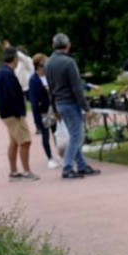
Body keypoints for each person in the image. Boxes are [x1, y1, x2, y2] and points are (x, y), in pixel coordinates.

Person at [45, 33, 101, 180]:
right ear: (68, 45)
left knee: (74, 135)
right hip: (70, 103)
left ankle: (81, 165)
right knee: (77, 136)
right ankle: (67, 167)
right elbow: (76, 88)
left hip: (59, 102)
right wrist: (86, 108)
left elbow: (50, 88)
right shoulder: (69, 62)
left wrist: (54, 108)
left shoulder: (49, 63)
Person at [0, 47, 38, 182]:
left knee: (14, 142)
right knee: (25, 141)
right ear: (15, 59)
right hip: (13, 114)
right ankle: (26, 171)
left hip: (6, 113)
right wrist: (18, 112)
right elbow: (11, 95)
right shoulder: (7, 74)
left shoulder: (2, 72)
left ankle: (14, 172)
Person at [28, 53, 60, 169]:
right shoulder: (33, 80)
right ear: (39, 65)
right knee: (46, 135)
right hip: (43, 112)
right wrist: (37, 120)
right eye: (44, 63)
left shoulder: (49, 76)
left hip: (54, 109)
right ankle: (50, 158)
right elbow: (34, 101)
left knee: (57, 133)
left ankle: (60, 153)